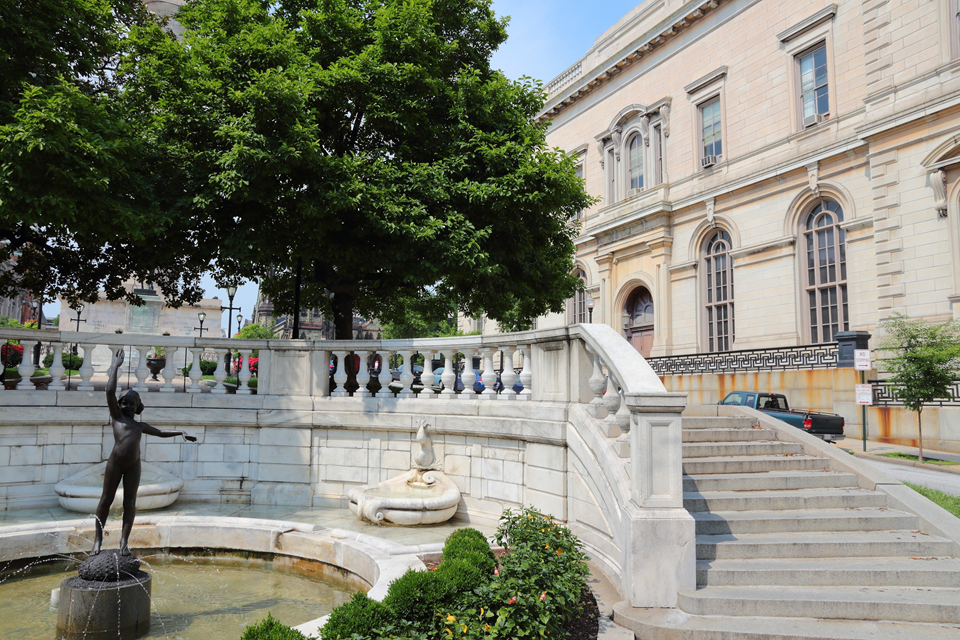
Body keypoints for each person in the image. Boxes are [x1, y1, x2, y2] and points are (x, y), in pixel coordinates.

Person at [91, 349, 197, 556]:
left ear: (138, 406)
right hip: (115, 463)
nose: (128, 406)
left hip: (133, 466)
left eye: (132, 404)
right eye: (125, 403)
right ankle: (97, 540)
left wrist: (180, 432)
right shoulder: (116, 417)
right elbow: (109, 392)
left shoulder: (140, 426)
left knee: (130, 503)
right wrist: (115, 367)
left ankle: (123, 542)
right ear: (119, 405)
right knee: (106, 499)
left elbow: (160, 432)